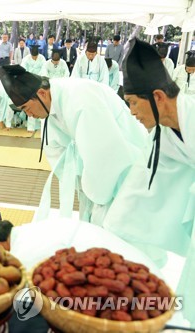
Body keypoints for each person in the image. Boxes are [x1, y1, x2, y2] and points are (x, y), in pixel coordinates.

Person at [103, 38, 195, 328]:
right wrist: (112, 232)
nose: (130, 112)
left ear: (157, 97)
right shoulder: (162, 131)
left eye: (132, 102)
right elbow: (139, 184)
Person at [0, 65, 147, 224]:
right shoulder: (49, 105)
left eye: (26, 108)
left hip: (124, 161)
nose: (28, 115)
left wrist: (91, 189)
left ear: (41, 93)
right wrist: (79, 181)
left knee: (119, 223)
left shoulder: (80, 99)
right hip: (96, 171)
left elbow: (102, 155)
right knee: (93, 220)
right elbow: (55, 151)